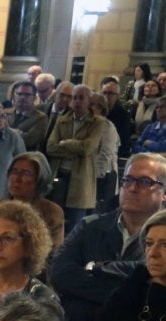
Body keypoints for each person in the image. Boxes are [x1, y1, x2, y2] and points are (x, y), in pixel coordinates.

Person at [50, 153, 166, 321]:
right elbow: (60, 274)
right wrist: (127, 291)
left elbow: (158, 287)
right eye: (128, 180)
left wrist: (97, 269)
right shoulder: (90, 226)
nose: (132, 188)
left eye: (144, 182)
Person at [47, 86, 103, 223]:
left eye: (81, 98)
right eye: (74, 98)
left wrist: (65, 143)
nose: (77, 101)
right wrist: (74, 149)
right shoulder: (62, 120)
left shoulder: (97, 123)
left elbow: (87, 148)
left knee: (75, 222)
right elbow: (50, 147)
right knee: (54, 219)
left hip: (80, 178)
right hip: (60, 174)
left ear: (89, 101)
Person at [6, 152, 66, 247]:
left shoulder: (51, 212)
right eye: (14, 171)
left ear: (40, 179)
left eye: (25, 173)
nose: (17, 178)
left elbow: (54, 253)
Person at [6, 80, 49, 151]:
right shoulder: (5, 113)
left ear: (34, 98)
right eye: (19, 94)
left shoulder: (40, 118)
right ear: (14, 96)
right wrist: (19, 133)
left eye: (27, 95)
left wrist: (7, 132)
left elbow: (29, 141)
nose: (23, 97)